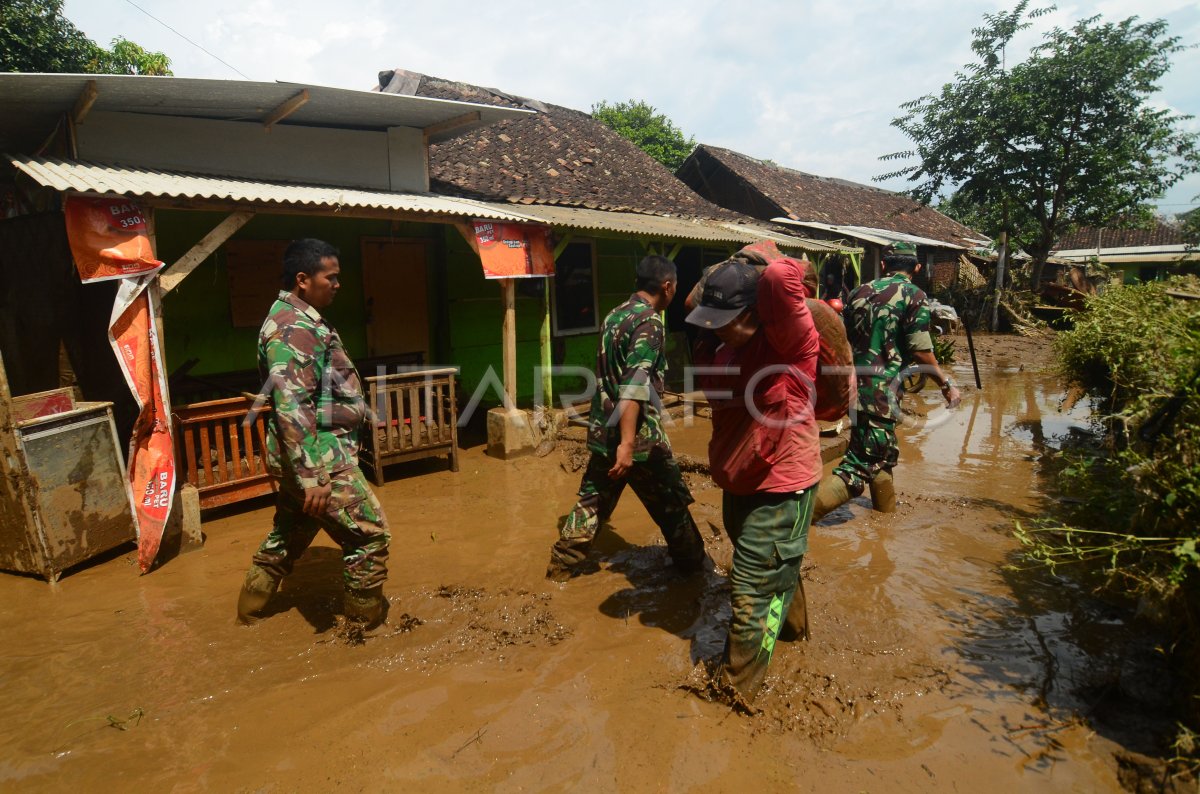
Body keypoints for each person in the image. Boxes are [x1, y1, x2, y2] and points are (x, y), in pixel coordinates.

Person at [686, 255, 822, 704]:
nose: (718, 329)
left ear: (757, 313)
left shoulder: (790, 344)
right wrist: (717, 280)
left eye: (729, 321)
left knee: (748, 591)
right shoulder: (724, 349)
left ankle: (736, 693)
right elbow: (693, 302)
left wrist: (751, 255)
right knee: (776, 569)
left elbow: (785, 275)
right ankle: (796, 638)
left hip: (782, 486)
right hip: (739, 485)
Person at [236, 238, 391, 628]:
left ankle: (249, 613)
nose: (338, 284)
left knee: (291, 531)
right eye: (331, 277)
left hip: (306, 454)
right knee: (370, 536)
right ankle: (363, 627)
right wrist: (314, 476)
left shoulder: (299, 320)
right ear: (303, 279)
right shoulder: (293, 329)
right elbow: (291, 404)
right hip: (319, 456)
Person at [546, 255, 708, 582]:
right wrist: (629, 443)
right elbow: (633, 383)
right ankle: (697, 578)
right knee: (672, 508)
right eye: (675, 287)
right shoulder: (650, 323)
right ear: (666, 287)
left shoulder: (613, 316)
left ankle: (560, 571)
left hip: (604, 430)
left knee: (591, 503)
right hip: (639, 439)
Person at [812, 241, 962, 519]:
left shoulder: (859, 291)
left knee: (878, 453)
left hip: (853, 386)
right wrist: (946, 384)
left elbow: (840, 338)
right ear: (916, 268)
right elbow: (921, 352)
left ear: (883, 265)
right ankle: (790, 527)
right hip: (881, 392)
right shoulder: (915, 296)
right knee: (859, 467)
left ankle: (885, 520)